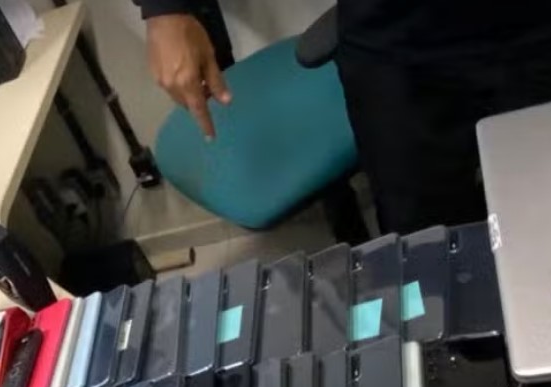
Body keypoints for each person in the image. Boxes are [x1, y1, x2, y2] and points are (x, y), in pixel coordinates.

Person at [136, 0, 551, 234]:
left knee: (539, 218)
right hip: (395, 41)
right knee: (426, 242)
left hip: (536, 28)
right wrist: (165, 12)